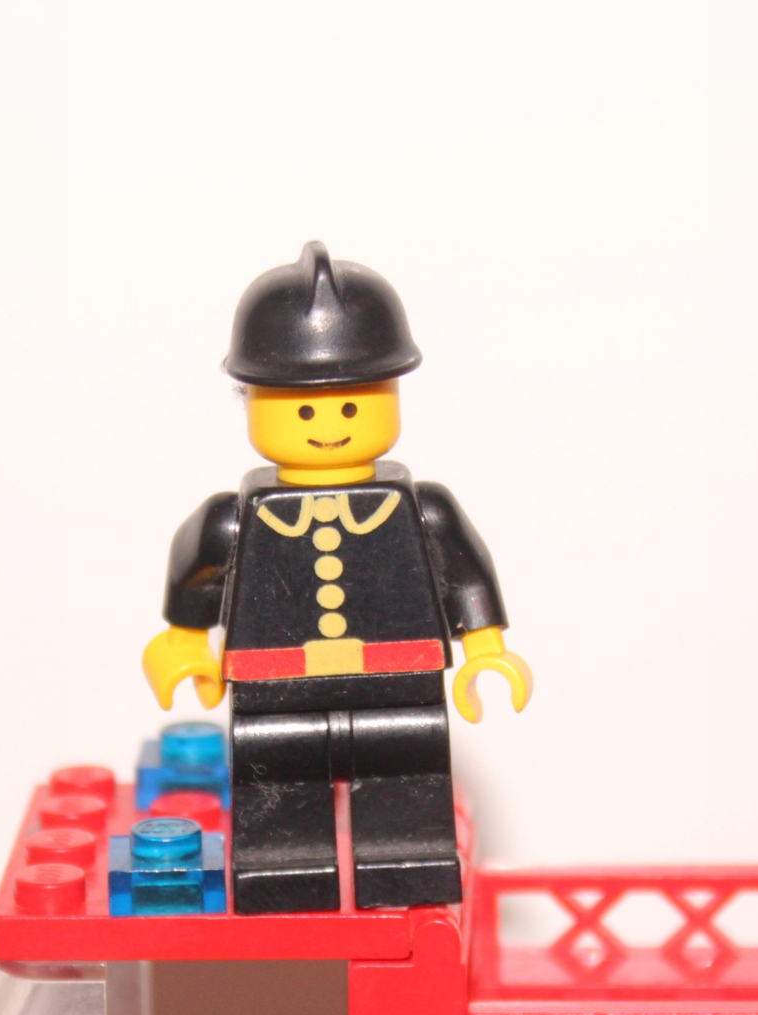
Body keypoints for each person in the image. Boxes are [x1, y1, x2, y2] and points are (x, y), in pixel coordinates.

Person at [143, 242, 535, 914]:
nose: (328, 424)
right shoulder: (237, 519)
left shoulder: (422, 509)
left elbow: (465, 572)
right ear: (253, 400)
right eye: (303, 409)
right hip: (275, 689)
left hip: (399, 683)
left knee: (405, 775)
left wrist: (485, 649)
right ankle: (281, 869)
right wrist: (183, 642)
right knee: (279, 782)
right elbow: (196, 569)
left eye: (351, 406)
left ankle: (406, 866)